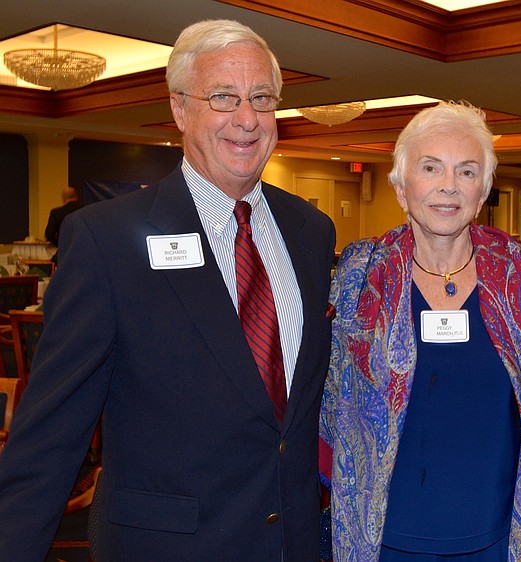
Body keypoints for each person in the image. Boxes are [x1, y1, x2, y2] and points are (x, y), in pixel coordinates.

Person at [0, 19, 335, 561]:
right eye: (223, 97)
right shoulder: (106, 238)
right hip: (168, 546)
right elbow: (50, 435)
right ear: (180, 109)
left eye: (261, 97)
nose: (247, 119)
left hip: (289, 542)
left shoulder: (310, 231)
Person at [320, 101, 521, 561]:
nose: (448, 186)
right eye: (430, 167)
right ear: (401, 186)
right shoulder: (361, 274)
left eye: (466, 171)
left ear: (483, 191)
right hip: (383, 535)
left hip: (498, 534)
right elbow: (329, 394)